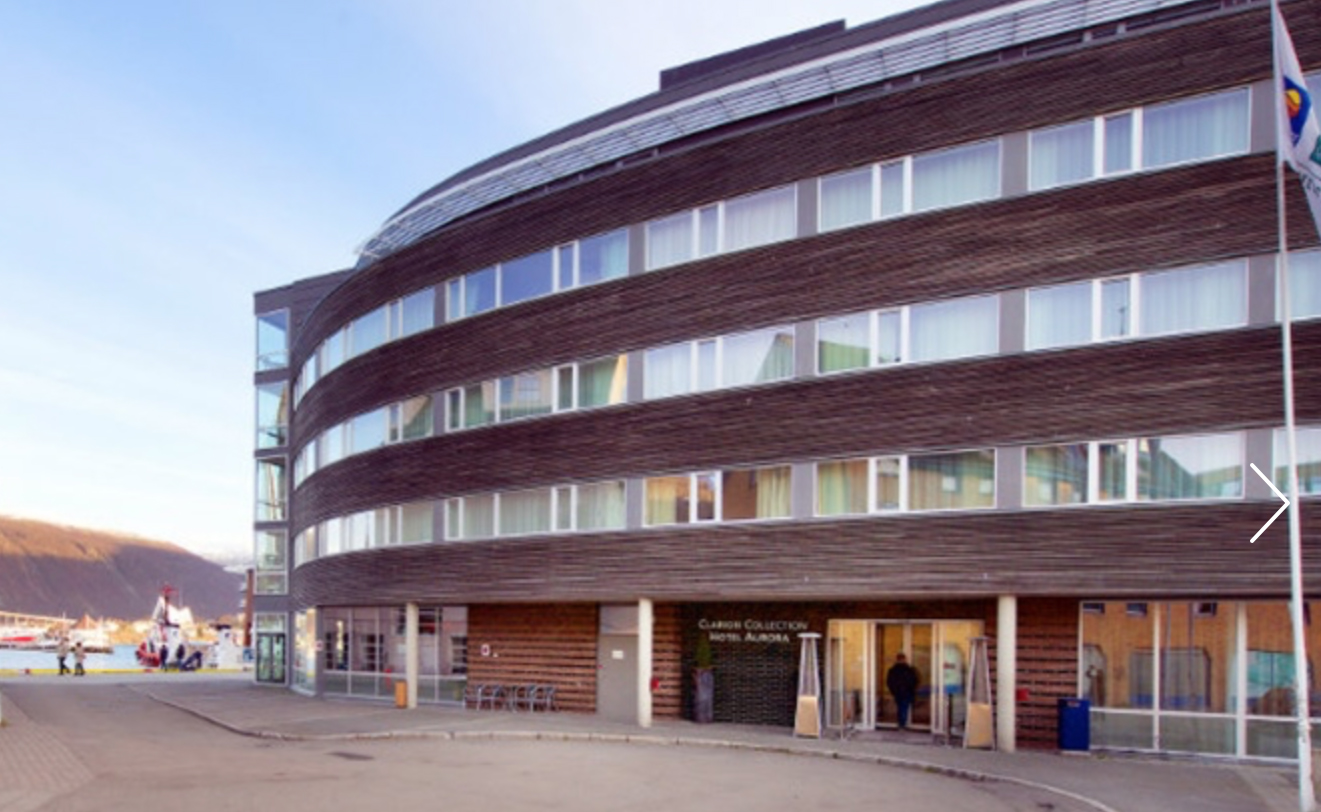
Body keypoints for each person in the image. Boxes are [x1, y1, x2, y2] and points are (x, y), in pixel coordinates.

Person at [886, 652, 919, 730]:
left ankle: (901, 723)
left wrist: (893, 691)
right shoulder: (909, 669)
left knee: (900, 707)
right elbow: (914, 680)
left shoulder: (892, 670)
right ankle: (902, 724)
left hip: (898, 692)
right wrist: (912, 689)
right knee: (904, 707)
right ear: (904, 659)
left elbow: (889, 682)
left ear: (897, 659)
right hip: (907, 692)